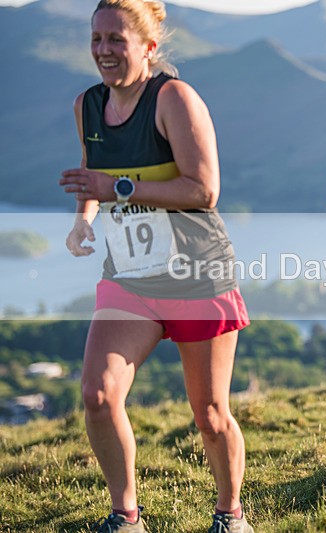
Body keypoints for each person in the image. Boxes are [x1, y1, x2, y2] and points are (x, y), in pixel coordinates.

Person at [58, 1, 253, 531]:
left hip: (197, 275)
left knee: (210, 415)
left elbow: (203, 190)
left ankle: (230, 514)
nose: (103, 50)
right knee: (98, 395)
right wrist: (83, 220)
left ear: (147, 47)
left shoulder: (174, 98)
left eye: (115, 40)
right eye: (96, 39)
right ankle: (126, 517)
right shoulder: (87, 105)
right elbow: (93, 174)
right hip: (130, 276)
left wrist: (117, 188)